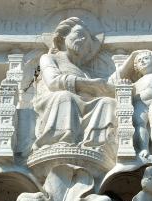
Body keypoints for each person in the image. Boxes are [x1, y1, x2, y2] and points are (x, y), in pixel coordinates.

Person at [32, 17, 116, 150]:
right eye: (79, 34)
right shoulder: (49, 58)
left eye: (87, 39)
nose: (83, 40)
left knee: (108, 102)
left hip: (84, 104)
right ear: (62, 37)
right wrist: (89, 84)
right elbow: (53, 82)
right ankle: (60, 140)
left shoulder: (85, 71)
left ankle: (96, 144)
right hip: (55, 101)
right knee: (65, 96)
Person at [120, 50, 152, 160]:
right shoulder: (136, 82)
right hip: (140, 103)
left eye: (145, 59)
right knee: (139, 124)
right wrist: (126, 84)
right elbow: (128, 92)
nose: (142, 62)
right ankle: (144, 148)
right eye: (139, 61)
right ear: (137, 67)